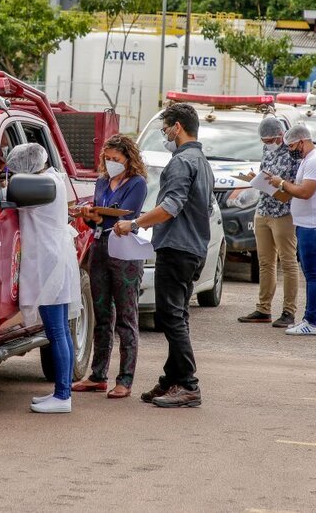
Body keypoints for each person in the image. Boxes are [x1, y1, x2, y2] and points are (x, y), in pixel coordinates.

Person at [114, 103, 212, 408]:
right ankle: (172, 379)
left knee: (170, 317)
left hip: (178, 248)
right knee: (178, 315)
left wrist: (134, 223)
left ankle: (188, 385)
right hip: (193, 248)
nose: (165, 134)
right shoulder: (202, 161)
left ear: (178, 127)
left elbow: (170, 207)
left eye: (165, 128)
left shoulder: (182, 162)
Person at [5, 143, 82, 414]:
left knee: (56, 331)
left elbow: (9, 194)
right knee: (60, 329)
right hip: (55, 258)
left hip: (49, 263)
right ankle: (63, 392)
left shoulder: (41, 186)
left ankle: (62, 397)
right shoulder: (53, 178)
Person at [72, 135, 147, 399]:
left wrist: (99, 214)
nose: (112, 163)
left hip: (124, 251)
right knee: (101, 313)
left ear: (128, 159)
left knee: (126, 317)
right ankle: (98, 374)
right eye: (108, 158)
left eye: (117, 159)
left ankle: (125, 378)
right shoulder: (103, 181)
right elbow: (99, 221)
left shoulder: (137, 184)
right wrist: (91, 216)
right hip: (100, 247)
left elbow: (125, 214)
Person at [264, 123, 316, 336]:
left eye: (293, 146)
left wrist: (282, 184)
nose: (291, 151)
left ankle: (312, 322)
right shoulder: (307, 160)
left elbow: (305, 192)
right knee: (310, 274)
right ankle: (308, 319)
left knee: (314, 275)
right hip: (307, 225)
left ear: (302, 142)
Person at [237, 116, 301, 328]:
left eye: (270, 140)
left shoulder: (293, 154)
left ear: (280, 136)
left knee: (288, 262)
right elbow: (266, 174)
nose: (267, 145)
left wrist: (278, 186)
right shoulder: (267, 150)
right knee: (265, 262)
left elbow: (294, 186)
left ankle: (289, 311)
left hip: (284, 212)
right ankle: (263, 308)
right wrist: (255, 178)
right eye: (263, 141)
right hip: (263, 209)